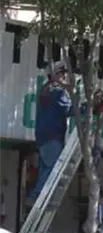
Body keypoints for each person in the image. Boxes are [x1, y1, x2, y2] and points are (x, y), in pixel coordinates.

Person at [28, 62, 72, 203]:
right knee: (53, 171)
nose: (64, 76)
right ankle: (40, 198)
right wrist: (87, 108)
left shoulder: (45, 89)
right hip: (53, 137)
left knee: (45, 169)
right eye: (61, 73)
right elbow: (69, 110)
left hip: (43, 138)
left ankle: (35, 197)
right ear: (54, 75)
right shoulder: (57, 92)